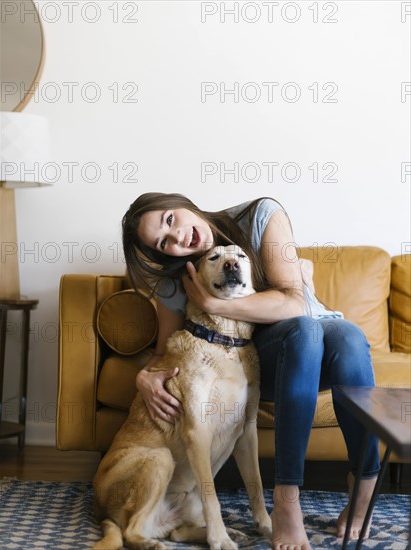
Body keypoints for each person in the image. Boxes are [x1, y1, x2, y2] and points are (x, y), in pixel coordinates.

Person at [122, 192, 380, 550]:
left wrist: (213, 302)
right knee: (305, 334)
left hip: (315, 328)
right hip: (270, 360)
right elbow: (167, 351)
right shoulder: (178, 278)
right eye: (164, 243)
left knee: (349, 335)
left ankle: (365, 482)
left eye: (170, 220)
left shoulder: (260, 216)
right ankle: (287, 500)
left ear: (183, 203)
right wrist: (143, 375)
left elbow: (295, 302)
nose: (178, 238)